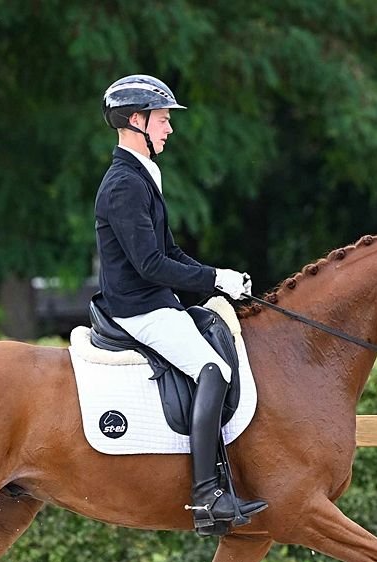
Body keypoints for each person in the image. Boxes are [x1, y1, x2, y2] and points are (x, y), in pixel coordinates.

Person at [94, 74, 266, 535]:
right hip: (138, 307)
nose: (169, 128)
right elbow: (150, 264)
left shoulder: (143, 175)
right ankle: (207, 493)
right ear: (137, 120)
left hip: (156, 300)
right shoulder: (123, 184)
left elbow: (169, 252)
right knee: (213, 369)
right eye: (163, 119)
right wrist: (212, 279)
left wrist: (219, 279)